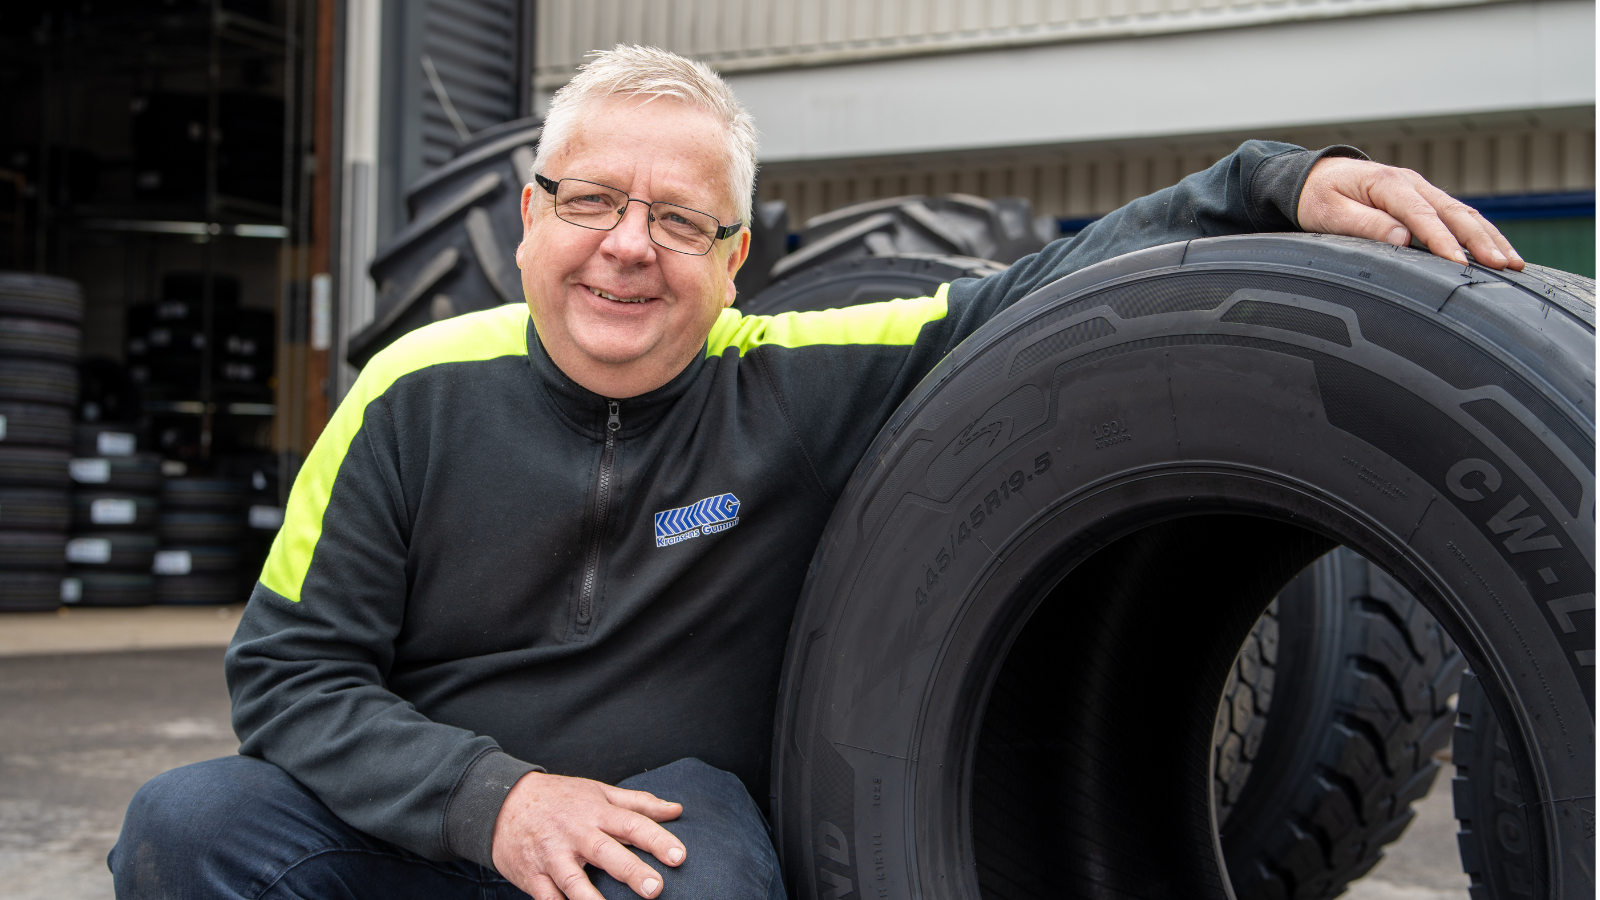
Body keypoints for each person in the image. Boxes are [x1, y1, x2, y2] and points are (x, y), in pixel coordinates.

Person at [109, 45, 1521, 900]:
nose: (626, 245)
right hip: (434, 823)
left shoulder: (810, 369)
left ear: (734, 259)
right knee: (192, 824)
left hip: (658, 823)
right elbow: (290, 678)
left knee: (710, 871)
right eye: (592, 200)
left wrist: (1270, 180)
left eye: (678, 218)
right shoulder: (414, 394)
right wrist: (492, 801)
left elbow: (1046, 292)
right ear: (530, 218)